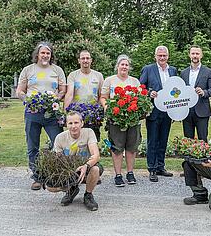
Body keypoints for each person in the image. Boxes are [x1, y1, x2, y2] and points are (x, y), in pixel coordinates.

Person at [16, 41, 66, 190]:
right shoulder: (28, 70)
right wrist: (28, 101)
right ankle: (37, 177)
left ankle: (59, 175)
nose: (45, 55)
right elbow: (20, 91)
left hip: (52, 113)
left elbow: (63, 90)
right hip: (32, 113)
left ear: (51, 55)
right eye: (43, 52)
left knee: (59, 143)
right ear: (37, 54)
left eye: (48, 53)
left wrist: (55, 98)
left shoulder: (57, 70)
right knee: (33, 146)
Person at [100, 54, 141, 187]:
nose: (124, 67)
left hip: (132, 119)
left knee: (131, 147)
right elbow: (103, 97)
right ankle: (118, 175)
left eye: (126, 65)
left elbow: (140, 99)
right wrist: (108, 108)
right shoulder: (109, 80)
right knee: (116, 147)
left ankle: (130, 173)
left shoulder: (134, 81)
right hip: (116, 119)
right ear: (117, 66)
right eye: (122, 64)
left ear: (129, 67)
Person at [140, 46, 178, 182]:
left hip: (168, 111)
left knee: (163, 140)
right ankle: (152, 168)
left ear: (168, 56)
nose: (162, 58)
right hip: (153, 111)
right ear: (155, 56)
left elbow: (176, 90)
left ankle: (161, 166)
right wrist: (150, 93)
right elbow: (141, 87)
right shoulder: (148, 69)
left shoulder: (173, 70)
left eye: (164, 55)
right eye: (159, 55)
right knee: (153, 140)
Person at [53, 111, 103, 211]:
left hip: (87, 165)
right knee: (50, 187)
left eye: (76, 123)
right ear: (66, 124)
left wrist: (86, 166)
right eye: (70, 123)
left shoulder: (89, 132)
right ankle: (71, 189)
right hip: (70, 168)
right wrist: (65, 179)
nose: (73, 126)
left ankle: (88, 195)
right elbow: (58, 161)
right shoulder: (60, 138)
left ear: (82, 123)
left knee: (96, 169)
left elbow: (96, 155)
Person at [64, 50, 104, 141]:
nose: (85, 60)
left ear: (91, 60)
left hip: (93, 114)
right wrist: (65, 113)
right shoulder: (73, 75)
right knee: (76, 141)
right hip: (77, 114)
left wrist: (100, 112)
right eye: (83, 58)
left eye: (87, 58)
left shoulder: (98, 76)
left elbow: (101, 95)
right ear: (79, 60)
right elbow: (69, 94)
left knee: (93, 140)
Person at [181, 45, 211, 142]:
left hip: (202, 110)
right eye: (193, 53)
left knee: (203, 139)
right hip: (187, 111)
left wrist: (204, 92)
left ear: (201, 55)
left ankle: (204, 158)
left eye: (197, 53)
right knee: (188, 140)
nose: (195, 56)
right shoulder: (183, 73)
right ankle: (188, 158)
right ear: (189, 55)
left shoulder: (208, 72)